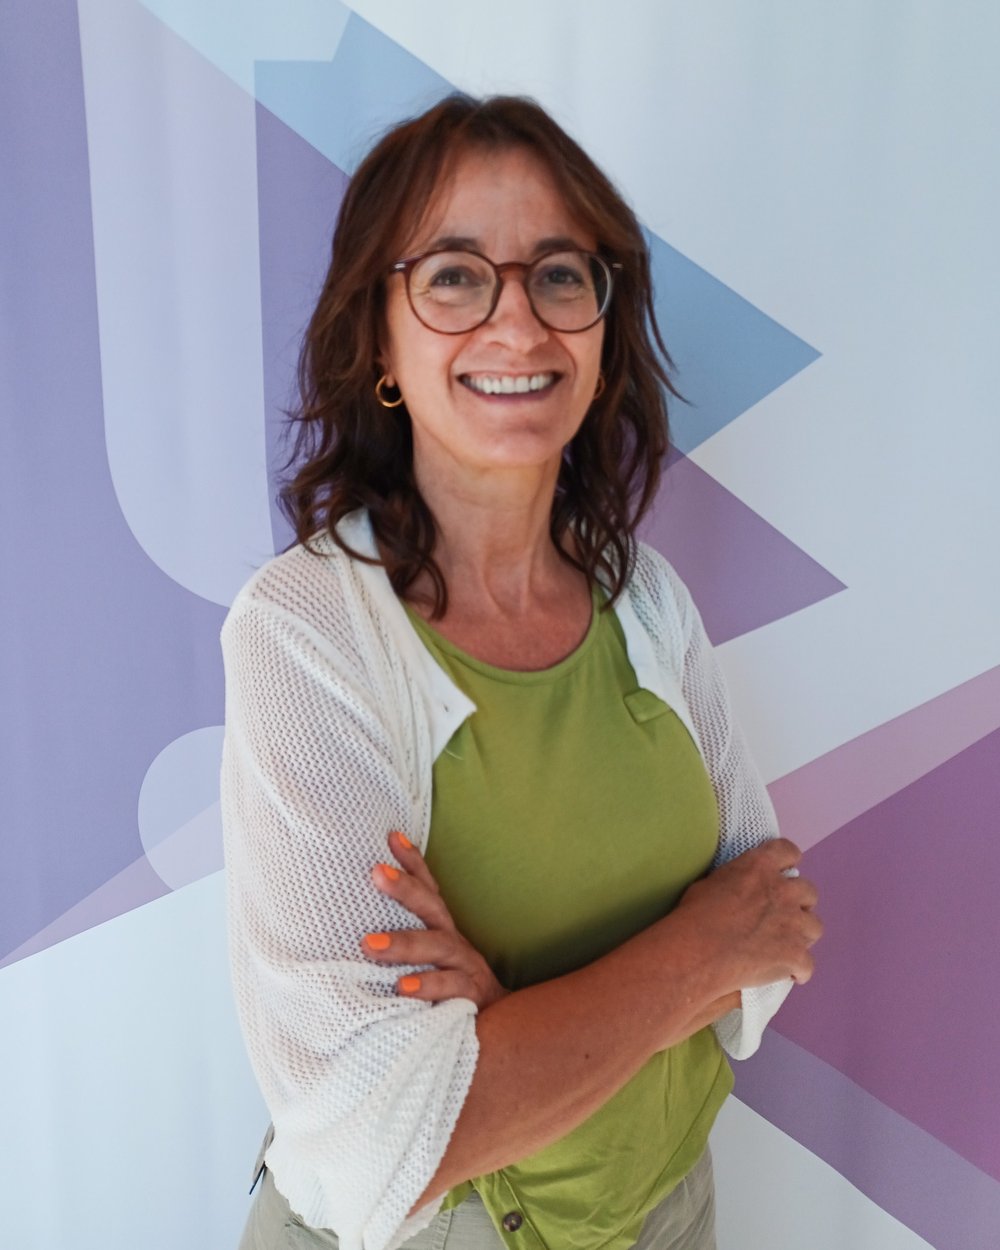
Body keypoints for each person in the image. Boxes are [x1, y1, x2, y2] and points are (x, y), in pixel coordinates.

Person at [221, 94, 821, 1250]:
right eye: (454, 276)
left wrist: (508, 1023)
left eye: (557, 274)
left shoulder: (646, 600)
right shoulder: (307, 630)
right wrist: (690, 951)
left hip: (667, 1207)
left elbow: (772, 932)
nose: (518, 322)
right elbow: (381, 1142)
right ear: (377, 337)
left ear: (600, 330)